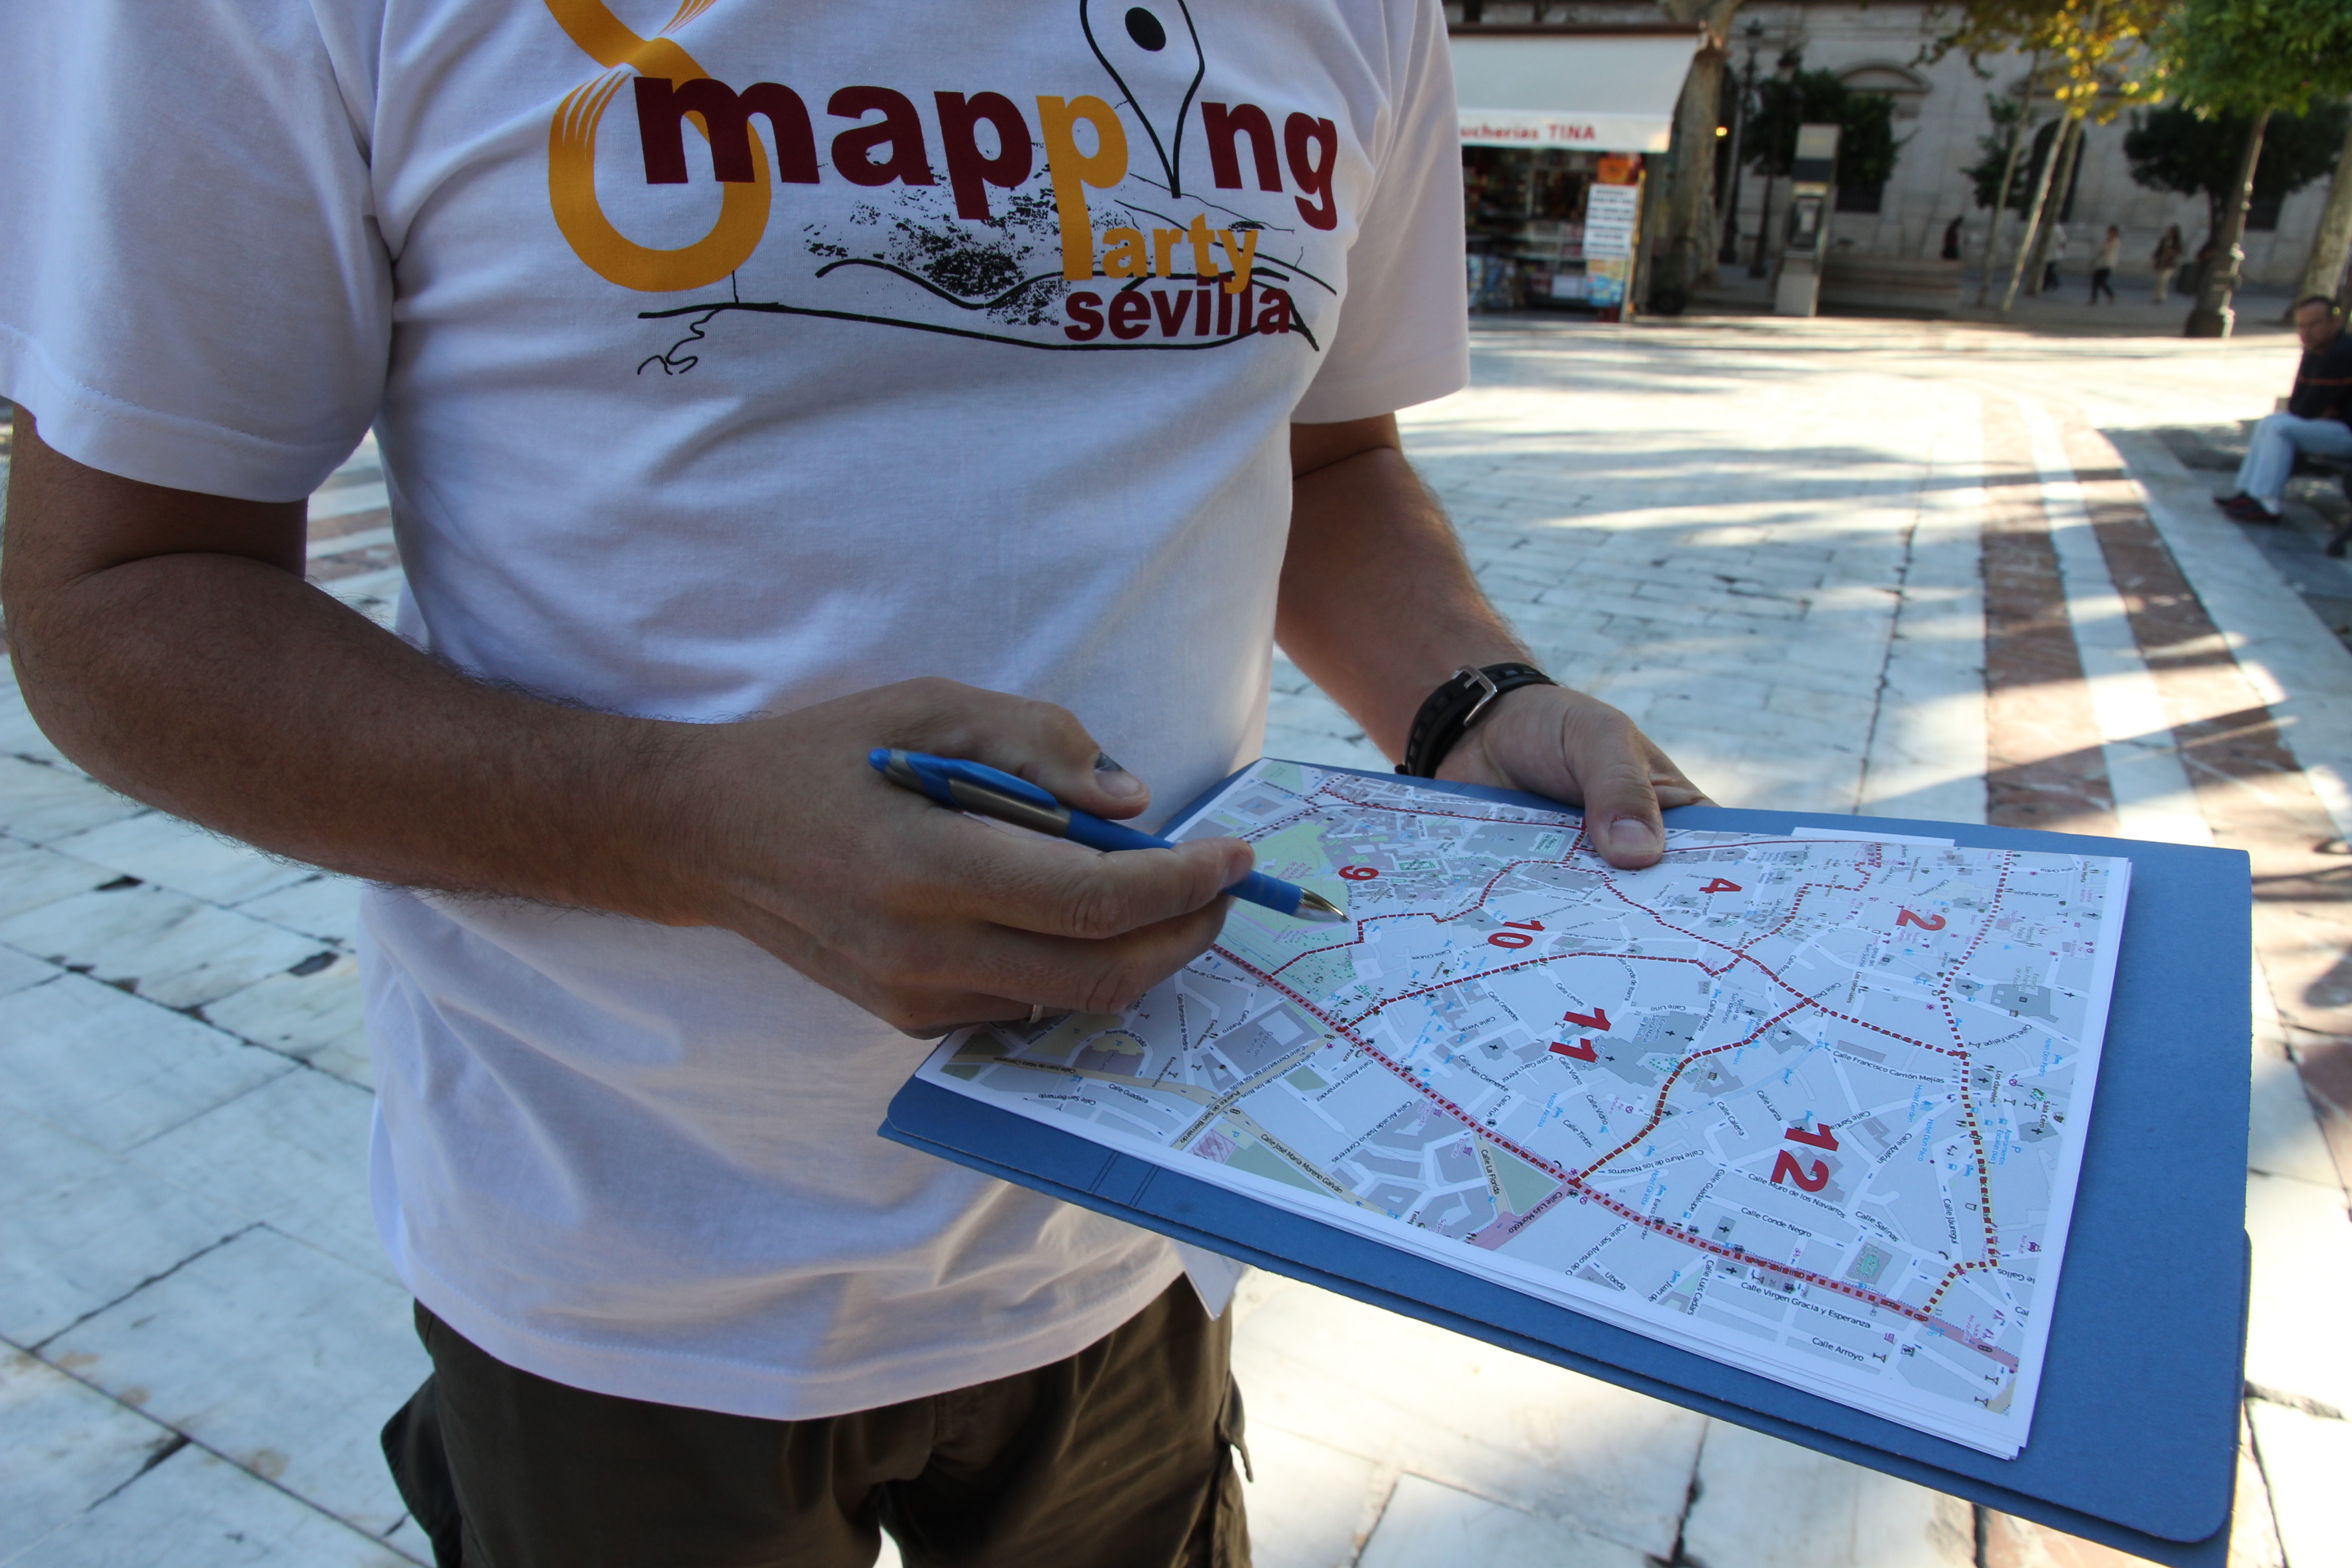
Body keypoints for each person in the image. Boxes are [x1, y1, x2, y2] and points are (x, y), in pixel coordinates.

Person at [0, 4, 1704, 1565]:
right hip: (617, 1275)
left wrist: (1474, 697)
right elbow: (117, 597)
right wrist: (681, 828)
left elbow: (1322, 456)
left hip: (1144, 1227)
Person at [2215, 296, 2352, 523]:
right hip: (2333, 426)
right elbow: (2299, 403)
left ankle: (2268, 504)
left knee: (2281, 429)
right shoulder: (2315, 351)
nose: (2306, 332)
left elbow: (2306, 409)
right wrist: (2319, 409)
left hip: (2346, 432)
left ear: (2334, 323)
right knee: (2270, 422)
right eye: (2302, 326)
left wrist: (2317, 409)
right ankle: (2249, 493)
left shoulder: (2341, 353)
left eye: (2315, 324)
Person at [2152, 225, 2184, 305]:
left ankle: (2161, 297)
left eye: (2172, 231)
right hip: (2161, 263)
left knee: (2164, 281)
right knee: (2158, 280)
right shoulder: (2165, 240)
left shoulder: (2177, 242)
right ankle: (2156, 296)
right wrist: (2155, 259)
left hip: (2169, 264)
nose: (2170, 233)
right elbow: (2158, 251)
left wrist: (2172, 252)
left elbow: (2179, 252)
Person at [2089, 226, 2120, 304]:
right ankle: (2096, 298)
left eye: (2112, 232)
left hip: (2108, 264)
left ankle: (2110, 295)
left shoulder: (2115, 241)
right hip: (2101, 264)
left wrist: (2107, 244)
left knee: (2101, 281)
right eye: (2109, 232)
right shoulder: (2108, 241)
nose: (2110, 234)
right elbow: (2101, 250)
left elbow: (2106, 250)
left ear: (2115, 233)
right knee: (2097, 281)